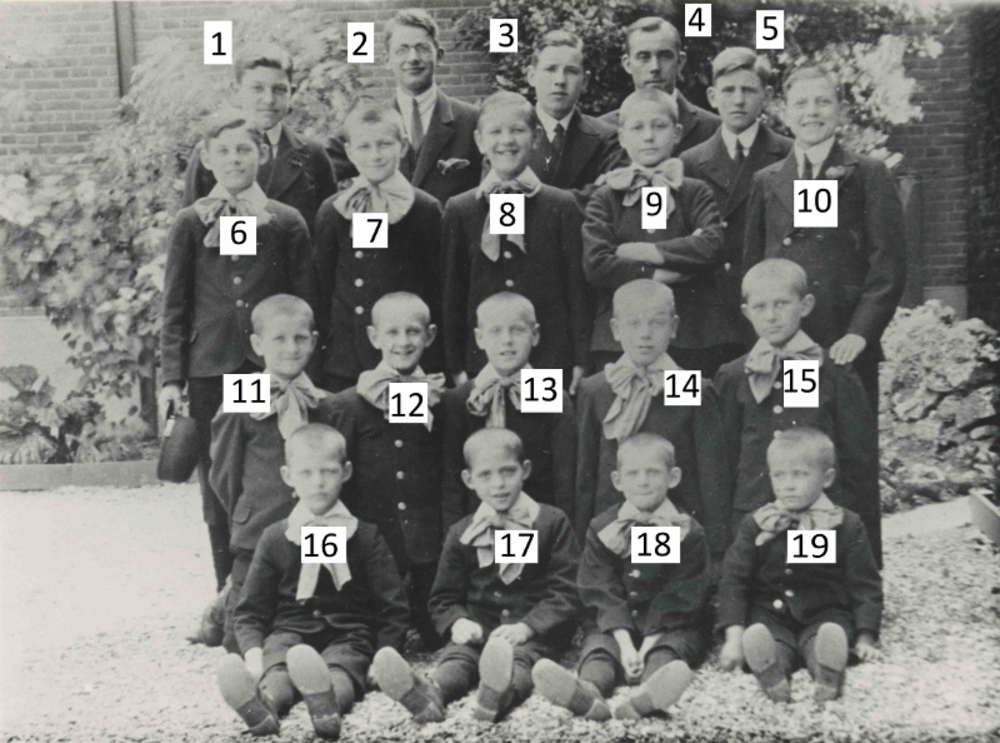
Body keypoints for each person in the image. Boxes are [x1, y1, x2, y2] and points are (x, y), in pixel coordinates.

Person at [159, 108, 317, 645]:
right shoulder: (192, 222)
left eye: (244, 149)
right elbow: (175, 303)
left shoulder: (284, 221)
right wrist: (172, 377)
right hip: (212, 370)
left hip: (264, 367)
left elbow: (304, 299)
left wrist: (302, 369)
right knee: (219, 482)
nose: (234, 159)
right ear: (206, 158)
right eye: (223, 151)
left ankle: (283, 597)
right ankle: (227, 601)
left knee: (268, 481)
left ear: (262, 154)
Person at [371, 428, 581, 723]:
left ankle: (498, 696)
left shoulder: (550, 522)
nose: (498, 484)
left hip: (530, 634)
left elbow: (566, 589)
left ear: (525, 470)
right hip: (480, 629)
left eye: (508, 471)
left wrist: (528, 627)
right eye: (485, 475)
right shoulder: (463, 532)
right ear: (469, 480)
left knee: (521, 661)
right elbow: (443, 598)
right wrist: (458, 622)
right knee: (458, 658)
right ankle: (430, 693)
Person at [217, 424, 408, 739]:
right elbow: (250, 609)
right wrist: (252, 654)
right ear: (287, 476)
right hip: (289, 631)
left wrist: (385, 654)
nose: (318, 483)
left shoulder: (364, 535)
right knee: (277, 668)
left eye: (328, 472)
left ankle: (328, 707)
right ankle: (263, 707)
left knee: (341, 670)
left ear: (346, 472)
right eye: (305, 473)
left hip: (349, 633)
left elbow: (393, 606)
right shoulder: (276, 537)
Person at [743, 66, 907, 415]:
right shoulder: (766, 180)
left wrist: (860, 332)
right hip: (788, 336)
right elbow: (754, 264)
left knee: (848, 433)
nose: (812, 112)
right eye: (801, 103)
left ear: (841, 110)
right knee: (800, 430)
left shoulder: (868, 174)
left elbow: (888, 266)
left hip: (843, 338)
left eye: (823, 102)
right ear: (784, 111)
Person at [534, 433, 710, 721]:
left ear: (673, 477)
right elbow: (599, 587)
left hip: (669, 625)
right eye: (633, 474)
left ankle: (648, 696)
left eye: (653, 472)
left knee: (668, 652)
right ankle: (588, 692)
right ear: (617, 480)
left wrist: (649, 644)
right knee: (600, 649)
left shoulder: (686, 532)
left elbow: (681, 593)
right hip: (614, 624)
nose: (643, 481)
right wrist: (626, 644)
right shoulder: (604, 527)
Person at [714, 260, 881, 564]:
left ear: (805, 306)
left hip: (817, 514)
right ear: (747, 312)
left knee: (810, 587)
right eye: (760, 306)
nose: (771, 316)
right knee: (751, 586)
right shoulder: (734, 375)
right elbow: (723, 457)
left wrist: (861, 551)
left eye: (781, 304)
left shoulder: (831, 372)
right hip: (752, 512)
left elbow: (859, 459)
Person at [209, 295, 338, 652]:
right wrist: (245, 510)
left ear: (313, 341)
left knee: (318, 624)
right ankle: (224, 608)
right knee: (238, 640)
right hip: (258, 527)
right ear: (257, 344)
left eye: (300, 338)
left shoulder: (325, 401)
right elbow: (224, 470)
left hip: (314, 524)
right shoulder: (244, 393)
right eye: (279, 339)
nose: (291, 348)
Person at [717, 428, 883, 703]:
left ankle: (827, 675)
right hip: (770, 614)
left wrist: (865, 637)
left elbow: (864, 585)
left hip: (825, 612)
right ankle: (773, 676)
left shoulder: (844, 525)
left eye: (800, 474)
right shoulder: (758, 523)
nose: (788, 485)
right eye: (779, 476)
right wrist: (734, 636)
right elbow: (734, 579)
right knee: (770, 643)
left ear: (827, 478)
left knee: (824, 640)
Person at [442, 91, 589, 390]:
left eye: (517, 130)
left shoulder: (561, 206)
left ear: (536, 138)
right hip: (482, 360)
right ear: (479, 141)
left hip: (548, 356)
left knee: (541, 420)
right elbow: (452, 292)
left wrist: (581, 359)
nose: (506, 140)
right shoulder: (460, 209)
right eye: (495, 132)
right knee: (488, 420)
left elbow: (577, 287)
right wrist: (455, 365)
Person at [575, 280, 731, 560]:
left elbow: (712, 473)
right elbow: (586, 472)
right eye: (633, 324)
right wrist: (582, 542)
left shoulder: (691, 387)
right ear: (615, 329)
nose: (645, 334)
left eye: (657, 323)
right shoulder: (596, 389)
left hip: (678, 527)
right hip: (612, 529)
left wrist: (716, 546)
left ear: (673, 327)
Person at [326, 292, 446, 650]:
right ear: (374, 337)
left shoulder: (441, 398)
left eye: (413, 331)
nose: (403, 342)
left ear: (430, 336)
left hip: (426, 542)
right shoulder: (348, 404)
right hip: (374, 542)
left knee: (438, 633)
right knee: (360, 629)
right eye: (392, 332)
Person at [583, 87, 726, 376]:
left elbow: (711, 245)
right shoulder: (606, 197)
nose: (648, 136)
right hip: (620, 339)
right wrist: (661, 275)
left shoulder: (695, 192)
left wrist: (646, 252)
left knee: (682, 403)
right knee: (624, 402)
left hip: (690, 335)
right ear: (622, 137)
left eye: (659, 126)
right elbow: (597, 264)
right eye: (637, 128)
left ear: (677, 133)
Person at [313, 102, 443, 392]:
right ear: (349, 152)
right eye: (364, 146)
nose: (375, 155)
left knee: (406, 423)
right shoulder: (334, 211)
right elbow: (321, 288)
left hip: (407, 358)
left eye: (384, 144)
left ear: (403, 146)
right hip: (345, 361)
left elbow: (437, 290)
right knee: (346, 421)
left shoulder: (425, 209)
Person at [680, 48, 793, 373]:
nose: (738, 100)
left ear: (766, 96)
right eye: (728, 90)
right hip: (702, 321)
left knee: (778, 399)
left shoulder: (791, 155)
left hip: (768, 314)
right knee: (691, 399)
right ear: (712, 97)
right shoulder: (689, 161)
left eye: (749, 90)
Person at [441, 292, 576, 530]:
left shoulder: (550, 392)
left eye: (517, 330)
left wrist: (557, 532)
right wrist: (457, 536)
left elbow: (565, 477)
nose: (507, 340)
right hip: (476, 525)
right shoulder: (459, 398)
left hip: (536, 524)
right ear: (479, 338)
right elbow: (451, 482)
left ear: (535, 335)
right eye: (495, 331)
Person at [327, 8, 482, 206]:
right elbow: (316, 169)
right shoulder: (367, 124)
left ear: (439, 56)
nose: (413, 58)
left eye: (422, 48)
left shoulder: (472, 120)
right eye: (402, 50)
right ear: (386, 60)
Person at [182, 43, 336, 235]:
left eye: (279, 89)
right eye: (257, 88)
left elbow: (328, 232)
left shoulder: (312, 153)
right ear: (236, 90)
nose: (269, 99)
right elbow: (191, 228)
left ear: (292, 92)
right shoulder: (212, 152)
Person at [523, 29, 623, 207]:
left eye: (571, 71)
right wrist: (588, 195)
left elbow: (609, 205)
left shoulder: (608, 139)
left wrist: (530, 195)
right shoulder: (507, 135)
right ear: (532, 76)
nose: (560, 80)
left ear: (585, 81)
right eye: (550, 69)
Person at [599, 16, 720, 155]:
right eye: (644, 57)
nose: (655, 67)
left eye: (664, 56)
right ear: (627, 64)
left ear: (680, 62)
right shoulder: (603, 130)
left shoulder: (714, 128)